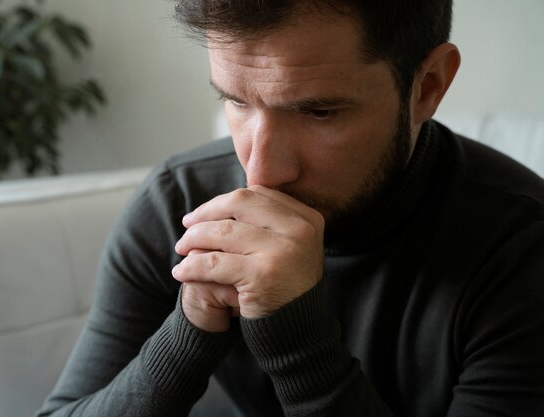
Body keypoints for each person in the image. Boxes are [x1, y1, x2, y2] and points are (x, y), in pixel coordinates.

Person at [36, 1, 544, 416]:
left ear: (428, 85)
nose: (259, 174)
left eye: (319, 112)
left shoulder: (521, 251)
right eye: (236, 101)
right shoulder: (176, 203)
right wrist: (188, 331)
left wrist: (297, 343)